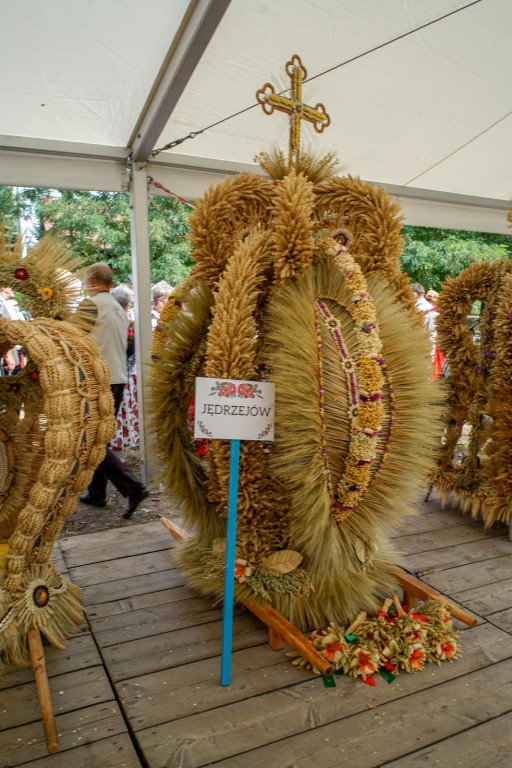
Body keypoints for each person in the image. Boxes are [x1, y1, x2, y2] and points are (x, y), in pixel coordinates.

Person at [78, 263, 148, 518]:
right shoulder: (119, 308)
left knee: (92, 439)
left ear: (93, 280)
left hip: (96, 379)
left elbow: (74, 339)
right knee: (101, 437)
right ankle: (97, 493)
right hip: (116, 377)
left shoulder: (91, 304)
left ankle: (132, 488)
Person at [111, 286, 139, 451]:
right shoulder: (127, 325)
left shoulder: (107, 320)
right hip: (125, 375)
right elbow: (132, 352)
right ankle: (118, 448)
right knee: (122, 411)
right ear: (127, 305)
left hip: (110, 374)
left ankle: (115, 447)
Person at [412, 283, 437, 360]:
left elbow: (418, 331)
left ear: (415, 294)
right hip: (428, 350)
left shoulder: (421, 309)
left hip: (419, 351)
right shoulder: (428, 307)